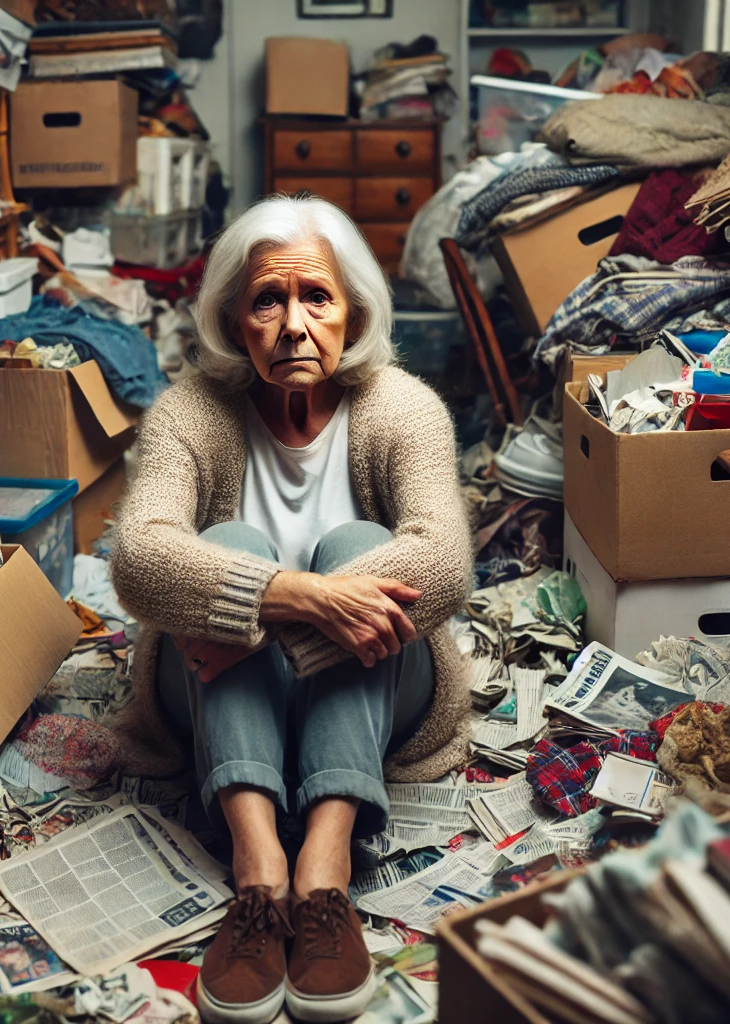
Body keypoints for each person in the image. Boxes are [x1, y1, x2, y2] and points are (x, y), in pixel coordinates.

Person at [111, 194, 472, 1024]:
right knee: (232, 544)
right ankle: (259, 863)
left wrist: (279, 629)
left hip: (377, 684)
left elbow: (445, 563)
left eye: (317, 298)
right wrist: (294, 599)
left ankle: (325, 866)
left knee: (359, 547)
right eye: (267, 300)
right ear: (236, 320)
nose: (294, 324)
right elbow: (138, 560)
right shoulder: (191, 412)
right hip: (214, 686)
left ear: (353, 312)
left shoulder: (402, 407)